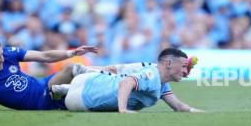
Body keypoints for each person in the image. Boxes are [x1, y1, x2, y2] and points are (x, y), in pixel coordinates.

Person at [0, 32, 98, 111]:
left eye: (1, 54)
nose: (2, 59)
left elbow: (45, 56)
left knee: (74, 70)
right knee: (84, 87)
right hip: (41, 101)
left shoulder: (7, 53)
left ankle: (115, 75)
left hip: (45, 84)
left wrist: (72, 53)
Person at [61, 48, 203, 113]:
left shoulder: (161, 82)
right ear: (169, 64)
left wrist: (194, 111)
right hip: (82, 99)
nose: (185, 72)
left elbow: (178, 106)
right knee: (122, 77)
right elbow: (126, 83)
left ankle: (65, 88)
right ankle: (67, 86)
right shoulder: (151, 75)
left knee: (118, 74)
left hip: (90, 82)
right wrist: (123, 109)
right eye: (184, 67)